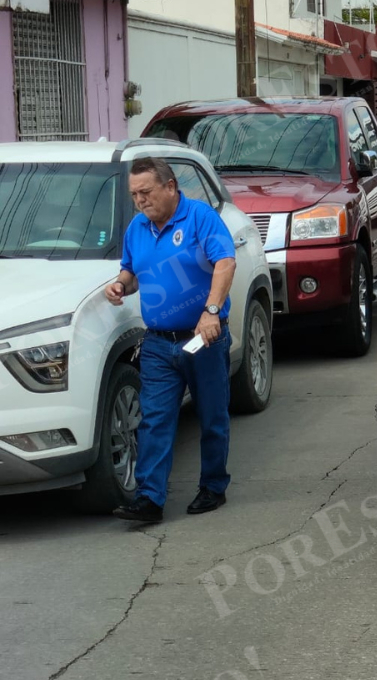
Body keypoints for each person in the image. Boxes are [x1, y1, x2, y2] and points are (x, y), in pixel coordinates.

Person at [107, 157, 237, 522]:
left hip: (203, 338)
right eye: (134, 194)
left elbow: (225, 263)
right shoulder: (137, 228)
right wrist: (120, 285)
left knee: (212, 416)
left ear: (170, 186)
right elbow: (131, 271)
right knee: (154, 420)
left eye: (146, 192)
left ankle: (213, 486)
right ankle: (149, 499)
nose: (140, 200)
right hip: (158, 343)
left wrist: (211, 311)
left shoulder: (199, 217)